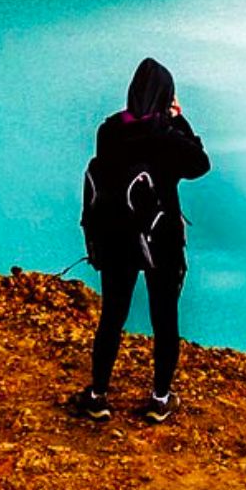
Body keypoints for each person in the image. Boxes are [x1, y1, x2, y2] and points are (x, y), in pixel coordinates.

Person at [69, 57, 210, 425]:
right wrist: (180, 119)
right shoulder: (166, 135)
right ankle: (159, 399)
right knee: (164, 319)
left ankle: (98, 395)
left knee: (112, 316)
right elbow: (199, 164)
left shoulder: (110, 130)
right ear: (166, 96)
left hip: (118, 237)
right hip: (161, 240)